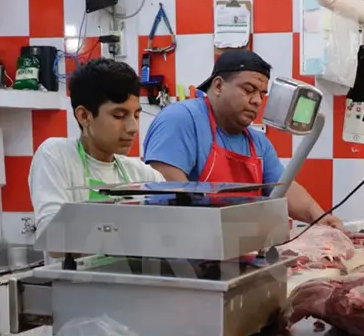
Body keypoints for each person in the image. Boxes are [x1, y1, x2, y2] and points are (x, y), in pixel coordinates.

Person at [142, 50, 341, 227]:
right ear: (218, 86)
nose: (257, 101)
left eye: (262, 94)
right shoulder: (181, 119)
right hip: (191, 244)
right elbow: (171, 192)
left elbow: (284, 188)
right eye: (248, 90)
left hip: (241, 244)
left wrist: (319, 217)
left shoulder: (257, 142)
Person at [29, 58, 164, 238]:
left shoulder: (142, 175)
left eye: (136, 115)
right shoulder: (56, 155)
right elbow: (54, 237)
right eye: (119, 116)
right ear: (84, 116)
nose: (133, 128)